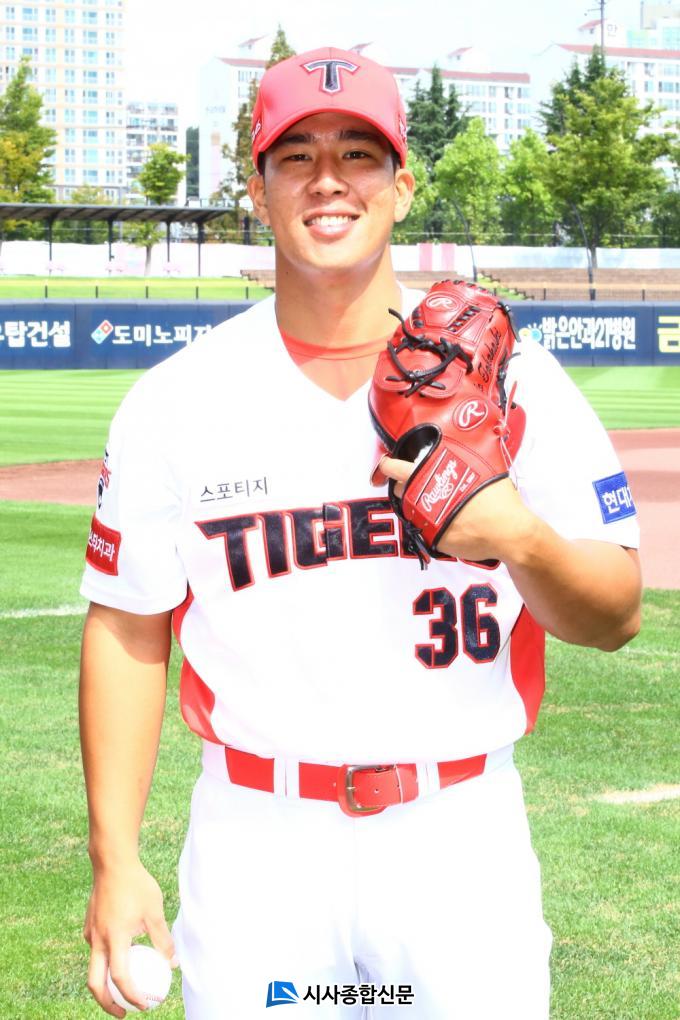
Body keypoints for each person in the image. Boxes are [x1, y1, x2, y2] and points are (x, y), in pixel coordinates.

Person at [80, 47, 642, 1019]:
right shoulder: (175, 400)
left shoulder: (511, 382)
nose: (328, 179)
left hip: (455, 836)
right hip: (259, 841)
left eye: (359, 154)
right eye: (296, 156)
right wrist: (114, 857)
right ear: (257, 191)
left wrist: (521, 538)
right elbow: (128, 625)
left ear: (402, 186)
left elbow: (615, 614)